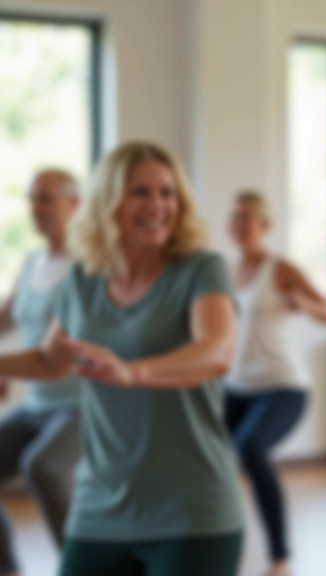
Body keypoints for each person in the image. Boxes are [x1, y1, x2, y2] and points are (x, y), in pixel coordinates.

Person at [0, 141, 244, 576]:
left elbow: (217, 352)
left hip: (191, 508)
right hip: (100, 505)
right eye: (140, 193)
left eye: (167, 193)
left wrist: (134, 372)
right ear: (107, 201)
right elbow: (51, 361)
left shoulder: (201, 269)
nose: (157, 206)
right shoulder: (83, 277)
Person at [225, 189, 326, 576]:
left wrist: (304, 304)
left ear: (265, 225)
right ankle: (214, 546)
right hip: (236, 388)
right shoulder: (227, 271)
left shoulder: (280, 268)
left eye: (247, 218)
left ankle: (280, 558)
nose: (238, 225)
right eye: (234, 217)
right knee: (206, 455)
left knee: (250, 447)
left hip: (283, 387)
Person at [0, 169, 81, 576]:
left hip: (82, 406)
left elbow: (53, 358)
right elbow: (6, 316)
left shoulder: (86, 268)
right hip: (37, 405)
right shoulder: (33, 262)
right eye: (32, 198)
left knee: (42, 467)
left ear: (74, 205)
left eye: (46, 198)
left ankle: (83, 567)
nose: (35, 207)